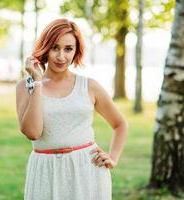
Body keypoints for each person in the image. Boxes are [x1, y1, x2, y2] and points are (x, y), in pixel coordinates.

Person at [15, 18, 128, 200]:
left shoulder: (89, 86)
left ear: (76, 51)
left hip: (87, 169)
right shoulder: (25, 86)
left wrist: (113, 157)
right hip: (45, 170)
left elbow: (120, 124)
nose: (61, 56)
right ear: (45, 48)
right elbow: (33, 133)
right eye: (55, 47)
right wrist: (37, 81)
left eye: (68, 49)